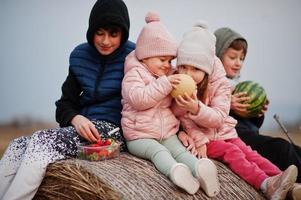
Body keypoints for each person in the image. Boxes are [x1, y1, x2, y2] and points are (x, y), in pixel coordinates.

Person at [0, 0, 134, 199]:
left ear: (123, 34)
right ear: (91, 32)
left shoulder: (135, 56)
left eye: (113, 34)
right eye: (100, 33)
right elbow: (64, 104)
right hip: (81, 127)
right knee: (17, 145)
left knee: (41, 141)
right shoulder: (80, 56)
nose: (106, 41)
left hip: (114, 130)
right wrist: (75, 118)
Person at [174, 22, 298, 200]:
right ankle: (265, 184)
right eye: (184, 66)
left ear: (207, 68)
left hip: (225, 133)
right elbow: (182, 119)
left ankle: (285, 182)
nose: (188, 73)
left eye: (195, 68)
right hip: (205, 140)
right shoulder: (180, 85)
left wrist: (197, 108)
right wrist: (199, 134)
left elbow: (218, 118)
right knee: (233, 153)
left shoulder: (222, 85)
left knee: (250, 153)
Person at [121, 11, 220, 196]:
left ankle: (199, 169)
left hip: (167, 132)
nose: (168, 65)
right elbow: (139, 100)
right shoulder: (134, 74)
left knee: (181, 151)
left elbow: (173, 110)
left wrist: (184, 100)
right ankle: (175, 172)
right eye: (162, 60)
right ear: (145, 56)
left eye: (170, 60)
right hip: (139, 136)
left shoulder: (167, 76)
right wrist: (164, 84)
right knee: (159, 152)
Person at [214, 27, 301, 199]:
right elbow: (207, 111)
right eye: (232, 57)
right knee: (281, 148)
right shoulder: (209, 83)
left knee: (295, 149)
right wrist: (228, 103)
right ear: (217, 55)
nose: (238, 62)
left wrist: (256, 114)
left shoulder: (234, 87)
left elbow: (249, 125)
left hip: (243, 132)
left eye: (242, 59)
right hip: (230, 135)